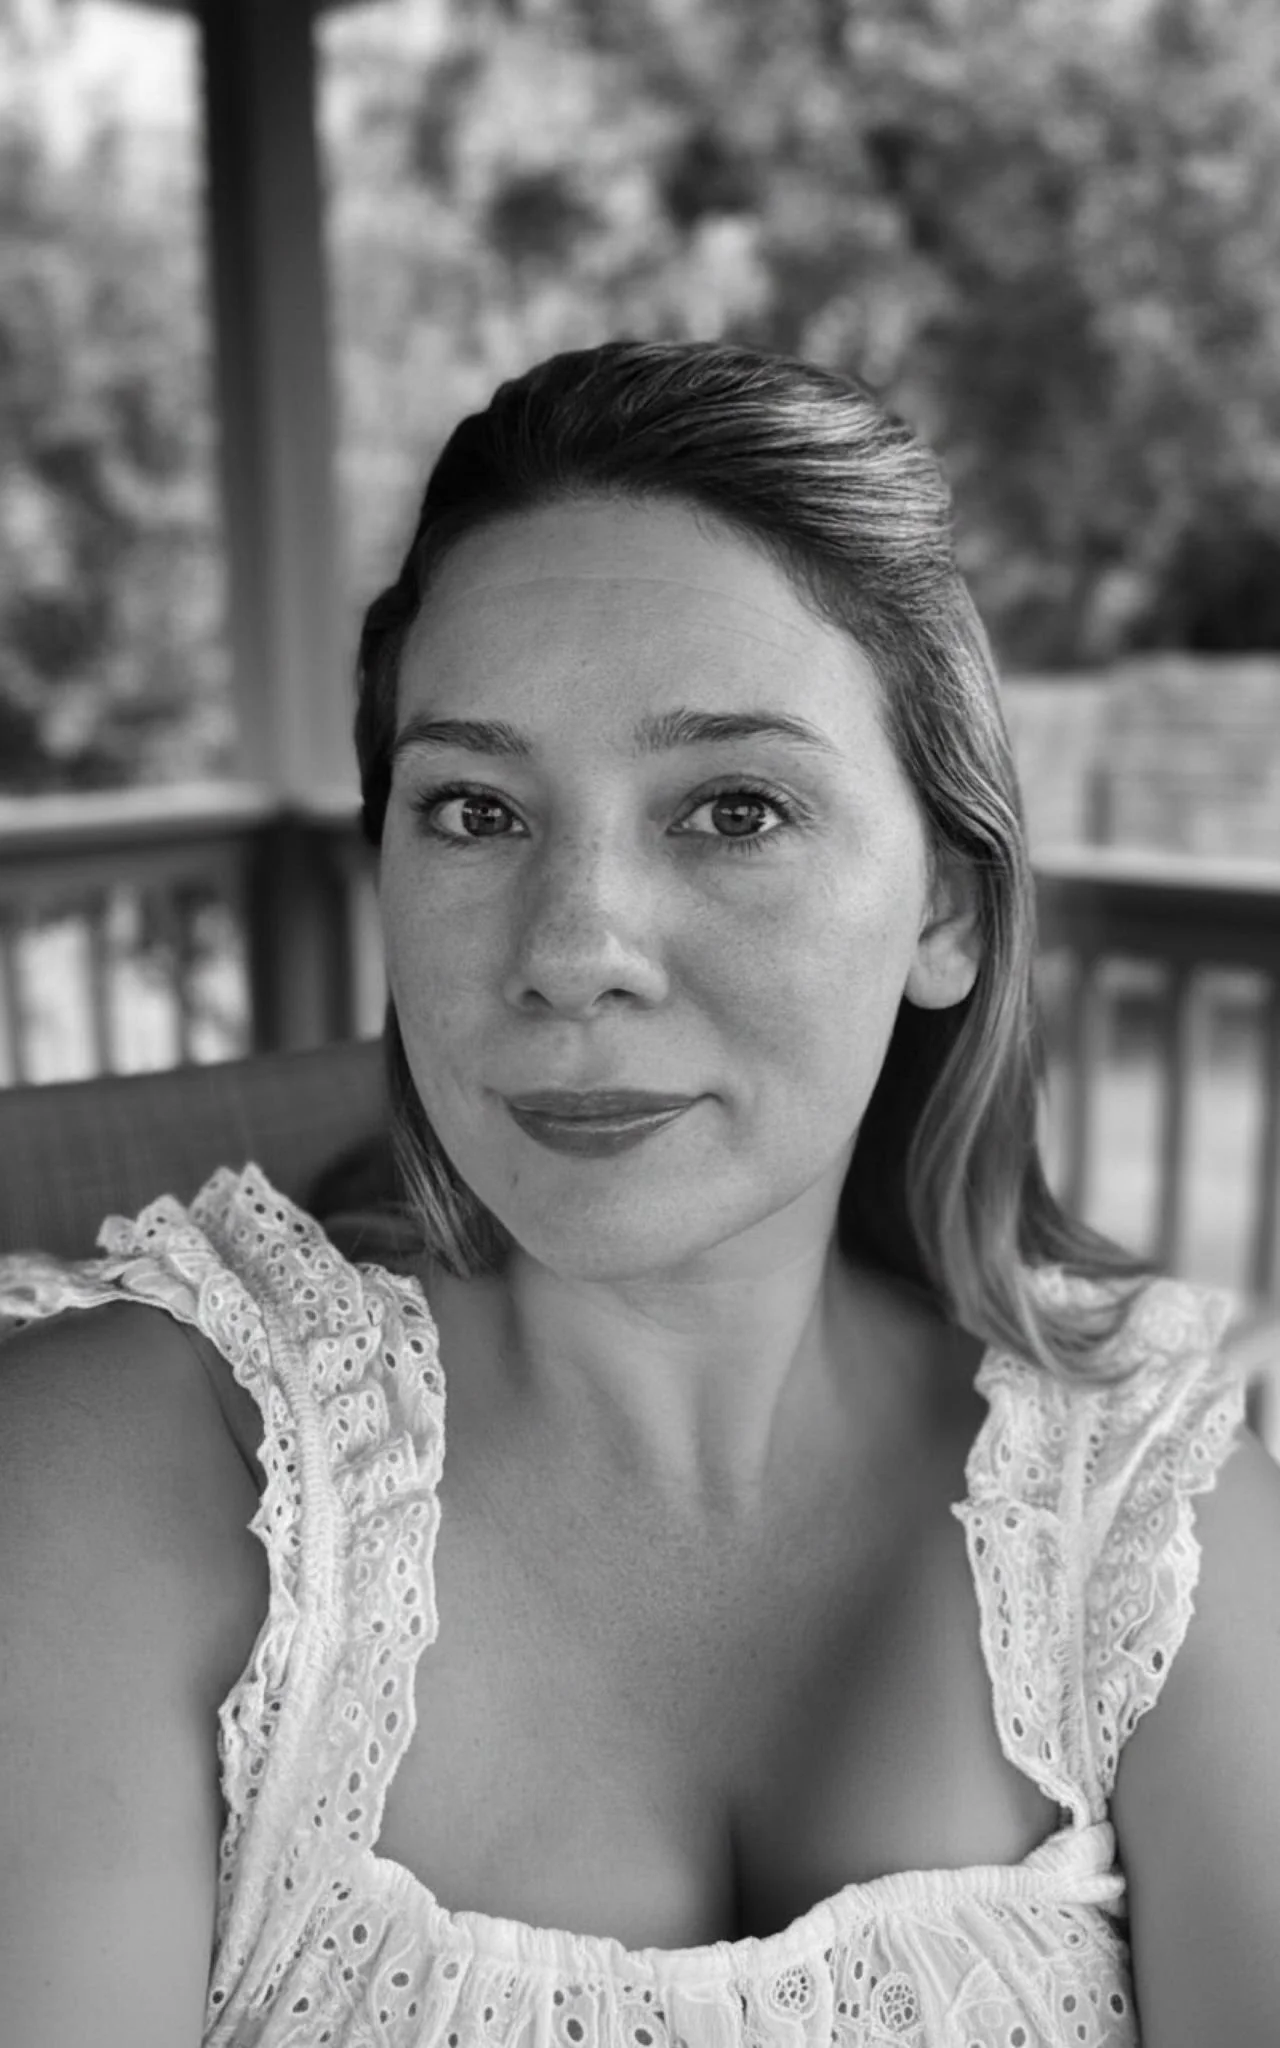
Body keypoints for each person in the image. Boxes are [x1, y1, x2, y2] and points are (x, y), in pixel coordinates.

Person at [1, 338, 1277, 2048]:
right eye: (473, 808)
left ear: (947, 915)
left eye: (733, 808)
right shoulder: (120, 1472)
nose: (573, 950)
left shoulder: (1144, 1505)